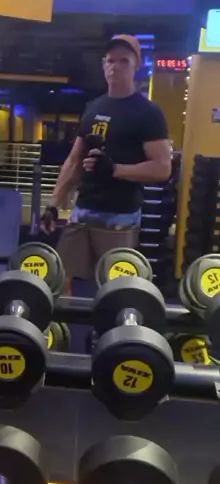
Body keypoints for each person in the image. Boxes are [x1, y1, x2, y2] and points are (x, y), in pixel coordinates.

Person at [41, 34, 172, 294]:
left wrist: (115, 170)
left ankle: (113, 321)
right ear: (103, 65)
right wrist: (53, 204)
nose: (116, 66)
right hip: (83, 211)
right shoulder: (94, 107)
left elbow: (162, 168)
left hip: (119, 216)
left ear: (136, 65)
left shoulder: (148, 113)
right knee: (60, 278)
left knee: (115, 288)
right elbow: (74, 160)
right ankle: (63, 321)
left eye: (124, 61)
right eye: (111, 61)